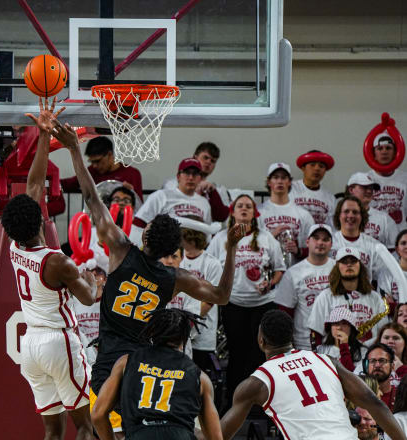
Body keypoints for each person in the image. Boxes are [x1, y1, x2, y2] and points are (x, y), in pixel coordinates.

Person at [51, 118, 244, 434]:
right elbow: (222, 296)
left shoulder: (120, 248)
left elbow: (91, 198)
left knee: (95, 426)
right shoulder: (175, 276)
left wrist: (74, 148)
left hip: (109, 365)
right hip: (145, 369)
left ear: (146, 236)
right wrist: (231, 248)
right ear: (171, 247)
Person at [2, 100, 97, 440]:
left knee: (52, 431)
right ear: (41, 219)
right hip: (59, 342)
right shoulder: (57, 261)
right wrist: (90, 276)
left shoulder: (14, 248)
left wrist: (42, 136)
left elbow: (33, 186)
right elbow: (89, 298)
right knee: (85, 425)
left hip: (31, 347)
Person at [219, 310, 406, 440]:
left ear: (261, 341)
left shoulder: (257, 383)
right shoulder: (326, 360)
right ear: (291, 336)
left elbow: (218, 436)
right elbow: (373, 402)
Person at [91, 308, 222, 440]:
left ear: (152, 333)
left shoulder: (126, 362)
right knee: (198, 433)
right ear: (184, 338)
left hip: (140, 433)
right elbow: (216, 437)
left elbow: (98, 414)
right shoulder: (200, 377)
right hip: (179, 435)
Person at [207, 194, 284, 404]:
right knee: (236, 354)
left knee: (259, 354)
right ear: (232, 212)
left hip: (262, 304)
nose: (244, 209)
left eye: (248, 207)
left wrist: (270, 283)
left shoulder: (267, 238)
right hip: (233, 304)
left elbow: (279, 269)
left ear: (254, 213)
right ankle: (234, 400)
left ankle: (260, 403)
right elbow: (210, 267)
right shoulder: (220, 239)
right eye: (239, 206)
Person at [169, 219, 223, 370]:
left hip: (203, 333)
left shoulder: (212, 263)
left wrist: (186, 325)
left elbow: (210, 301)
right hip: (173, 335)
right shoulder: (175, 259)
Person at [331, 195, 407, 301]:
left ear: (362, 216)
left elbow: (382, 278)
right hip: (333, 297)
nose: (350, 215)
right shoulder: (330, 242)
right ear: (339, 215)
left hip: (364, 301)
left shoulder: (374, 246)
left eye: (355, 212)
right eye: (346, 211)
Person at [308, 247, 389, 345]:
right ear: (337, 267)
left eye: (353, 261)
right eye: (344, 262)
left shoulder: (375, 298)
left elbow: (384, 332)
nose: (349, 264)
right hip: (335, 355)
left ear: (360, 265)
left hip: (368, 355)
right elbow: (316, 333)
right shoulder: (325, 297)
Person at [274, 224, 336, 350]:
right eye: (316, 238)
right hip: (304, 342)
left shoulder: (339, 269)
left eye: (325, 239)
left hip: (336, 342)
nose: (320, 242)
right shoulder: (293, 273)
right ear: (307, 242)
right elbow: (285, 313)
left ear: (331, 244)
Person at [129, 158, 212, 246]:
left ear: (200, 178)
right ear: (178, 176)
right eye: (187, 173)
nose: (190, 177)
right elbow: (138, 224)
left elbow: (207, 234)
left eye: (195, 174)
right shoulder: (161, 196)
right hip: (165, 249)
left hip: (193, 250)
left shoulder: (204, 203)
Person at [258, 162, 315, 264]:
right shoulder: (259, 212)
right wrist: (271, 237)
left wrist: (298, 250)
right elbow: (250, 246)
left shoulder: (303, 214)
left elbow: (314, 247)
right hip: (267, 270)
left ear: (289, 182)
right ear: (269, 182)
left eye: (284, 178)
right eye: (275, 177)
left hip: (295, 271)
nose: (280, 181)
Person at [60, 136, 143, 199]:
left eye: (97, 161)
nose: (95, 165)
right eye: (92, 162)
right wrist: (47, 182)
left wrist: (132, 194)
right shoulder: (92, 171)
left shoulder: (132, 174)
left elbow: (139, 206)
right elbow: (67, 184)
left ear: (110, 155)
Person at [164, 143, 230, 222]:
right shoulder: (172, 184)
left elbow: (222, 217)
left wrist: (212, 193)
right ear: (195, 157)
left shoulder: (218, 190)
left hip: (205, 231)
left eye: (213, 161)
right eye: (205, 158)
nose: (209, 162)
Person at [365, 131, 407, 228]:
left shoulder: (405, 179)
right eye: (380, 148)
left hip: (400, 237)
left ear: (394, 153)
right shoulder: (365, 179)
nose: (384, 151)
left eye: (388, 148)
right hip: (374, 235)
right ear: (374, 154)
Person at [346, 172, 398, 250]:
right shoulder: (339, 217)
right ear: (351, 189)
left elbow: (395, 249)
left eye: (371, 188)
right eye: (364, 187)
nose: (369, 191)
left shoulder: (384, 219)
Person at [291, 150, 337, 225]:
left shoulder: (330, 198)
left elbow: (331, 226)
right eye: (312, 165)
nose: (317, 169)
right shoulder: (290, 189)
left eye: (321, 166)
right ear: (303, 168)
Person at [316, 307, 367, 372]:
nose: (339, 327)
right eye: (336, 323)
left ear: (351, 328)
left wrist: (344, 346)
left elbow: (352, 376)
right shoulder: (320, 350)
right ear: (330, 327)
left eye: (344, 324)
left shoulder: (362, 351)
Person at [364, 343, 399, 411]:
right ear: (366, 366)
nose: (377, 365)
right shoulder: (358, 395)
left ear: (392, 366)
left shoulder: (401, 397)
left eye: (382, 361)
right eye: (372, 361)